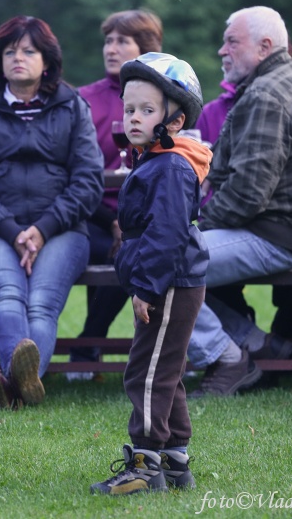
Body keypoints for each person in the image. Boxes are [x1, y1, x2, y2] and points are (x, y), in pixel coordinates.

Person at [0, 16, 103, 409]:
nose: (18, 58)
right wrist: (12, 228)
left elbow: (88, 181)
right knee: (7, 294)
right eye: (10, 51)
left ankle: (10, 386)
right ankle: (22, 384)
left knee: (41, 304)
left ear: (47, 61)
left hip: (62, 230)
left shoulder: (72, 105)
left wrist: (42, 229)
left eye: (28, 51)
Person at [185, 6, 292, 397]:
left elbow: (247, 195)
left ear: (265, 46)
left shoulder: (268, 94)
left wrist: (195, 227)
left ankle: (227, 360)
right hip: (282, 229)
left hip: (276, 234)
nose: (221, 51)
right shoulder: (276, 83)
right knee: (161, 255)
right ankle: (257, 344)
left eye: (232, 41)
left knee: (163, 264)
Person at [90, 53, 210, 495]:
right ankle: (176, 462)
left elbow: (167, 233)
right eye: (129, 109)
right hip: (168, 281)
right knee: (167, 370)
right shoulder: (153, 160)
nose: (133, 118)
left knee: (145, 373)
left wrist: (145, 287)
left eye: (147, 110)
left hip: (170, 283)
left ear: (174, 120)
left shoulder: (172, 166)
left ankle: (144, 464)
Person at [69, 9, 163, 381]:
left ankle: (90, 344)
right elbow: (74, 175)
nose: (111, 48)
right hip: (93, 215)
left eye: (122, 41)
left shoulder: (165, 98)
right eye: (108, 40)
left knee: (136, 248)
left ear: (145, 47)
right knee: (116, 249)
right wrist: (112, 222)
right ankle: (87, 347)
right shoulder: (83, 99)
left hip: (147, 217)